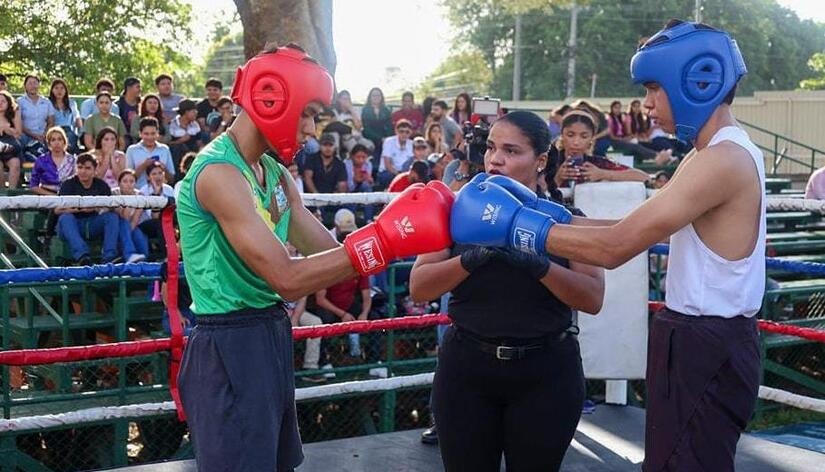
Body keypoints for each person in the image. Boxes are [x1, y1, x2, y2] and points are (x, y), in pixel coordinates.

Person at [451, 20, 762, 471]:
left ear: (698, 79)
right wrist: (545, 213)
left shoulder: (723, 160)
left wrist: (512, 225)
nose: (647, 103)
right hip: (700, 339)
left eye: (654, 87)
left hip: (706, 341)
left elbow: (616, 247)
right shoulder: (710, 154)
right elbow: (631, 226)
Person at [175, 43, 454, 472]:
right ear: (271, 100)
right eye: (306, 114)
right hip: (228, 340)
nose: (310, 130)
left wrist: (398, 228)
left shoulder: (275, 175)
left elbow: (329, 253)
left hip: (270, 330)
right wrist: (383, 241)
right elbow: (287, 277)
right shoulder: (219, 175)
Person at [411, 110, 604, 471]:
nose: (495, 159)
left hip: (546, 371)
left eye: (511, 151)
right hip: (467, 368)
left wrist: (539, 265)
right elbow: (419, 287)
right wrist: (472, 259)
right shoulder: (455, 211)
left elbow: (592, 297)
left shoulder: (565, 219)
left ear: (540, 160)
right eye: (491, 147)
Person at [550, 110, 651, 187]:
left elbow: (644, 177)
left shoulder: (596, 164)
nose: (576, 142)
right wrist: (558, 179)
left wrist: (602, 174)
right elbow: (540, 193)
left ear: (591, 138)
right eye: (570, 135)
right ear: (562, 135)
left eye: (584, 136)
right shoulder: (549, 161)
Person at [55, 153, 122, 265]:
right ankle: (82, 256)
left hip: (93, 223)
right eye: (80, 167)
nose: (83, 171)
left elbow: (111, 207)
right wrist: (80, 209)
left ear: (95, 170)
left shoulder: (101, 185)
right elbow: (57, 210)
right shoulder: (68, 184)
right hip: (73, 225)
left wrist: (98, 207)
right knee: (65, 218)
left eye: (87, 168)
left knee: (112, 217)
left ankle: (109, 257)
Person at [125, 117, 175, 188]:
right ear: (140, 134)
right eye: (146, 134)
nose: (150, 137)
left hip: (160, 192)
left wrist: (162, 168)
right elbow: (127, 179)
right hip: (139, 191)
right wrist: (144, 165)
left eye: (153, 133)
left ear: (157, 133)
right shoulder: (132, 150)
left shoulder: (164, 149)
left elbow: (171, 179)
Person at [113, 169, 150, 263]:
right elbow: (124, 217)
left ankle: (142, 260)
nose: (128, 184)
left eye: (131, 181)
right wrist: (129, 200)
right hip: (117, 227)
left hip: (133, 226)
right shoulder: (114, 194)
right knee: (124, 224)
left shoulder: (140, 195)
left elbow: (135, 220)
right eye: (125, 181)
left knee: (138, 234)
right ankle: (129, 254)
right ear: (119, 183)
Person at [30, 127, 76, 195]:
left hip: (68, 196)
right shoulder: (41, 161)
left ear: (64, 142)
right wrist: (53, 196)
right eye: (53, 140)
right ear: (49, 143)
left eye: (59, 139)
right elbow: (33, 186)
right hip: (46, 197)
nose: (57, 143)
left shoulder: (72, 160)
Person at [17, 74, 55, 150]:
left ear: (39, 85)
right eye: (30, 83)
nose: (33, 86)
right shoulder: (19, 101)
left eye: (35, 83)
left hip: (43, 135)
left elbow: (51, 122)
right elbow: (18, 123)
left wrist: (44, 134)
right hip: (26, 135)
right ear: (25, 86)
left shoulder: (46, 102)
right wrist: (34, 135)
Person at [48, 79, 82, 153]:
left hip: (68, 130)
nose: (59, 91)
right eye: (56, 88)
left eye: (62, 88)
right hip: (54, 130)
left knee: (71, 136)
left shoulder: (71, 103)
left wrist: (81, 132)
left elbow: (77, 118)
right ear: (52, 90)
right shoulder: (48, 103)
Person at [360, 87, 393, 162]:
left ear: (381, 97)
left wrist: (387, 138)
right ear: (370, 97)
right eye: (374, 95)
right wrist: (380, 138)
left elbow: (389, 126)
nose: (376, 97)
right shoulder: (365, 110)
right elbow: (366, 128)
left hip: (384, 137)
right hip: (370, 136)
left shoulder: (386, 110)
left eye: (378, 95)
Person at [378, 119, 414, 187]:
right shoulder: (388, 141)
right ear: (396, 131)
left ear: (411, 133)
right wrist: (399, 175)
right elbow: (387, 165)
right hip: (388, 172)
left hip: (404, 173)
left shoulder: (412, 144)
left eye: (407, 132)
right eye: (401, 131)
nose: (404, 134)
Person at [169, 98, 202, 167]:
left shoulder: (195, 125)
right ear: (186, 112)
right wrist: (180, 141)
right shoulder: (172, 125)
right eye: (193, 111)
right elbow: (168, 144)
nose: (196, 113)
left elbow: (199, 142)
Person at [0, 91, 23, 189]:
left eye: (3, 101)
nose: (0, 103)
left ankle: (11, 192)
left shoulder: (13, 114)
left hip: (11, 148)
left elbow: (18, 134)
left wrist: (6, 129)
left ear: (8, 103)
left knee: (15, 163)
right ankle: (1, 193)